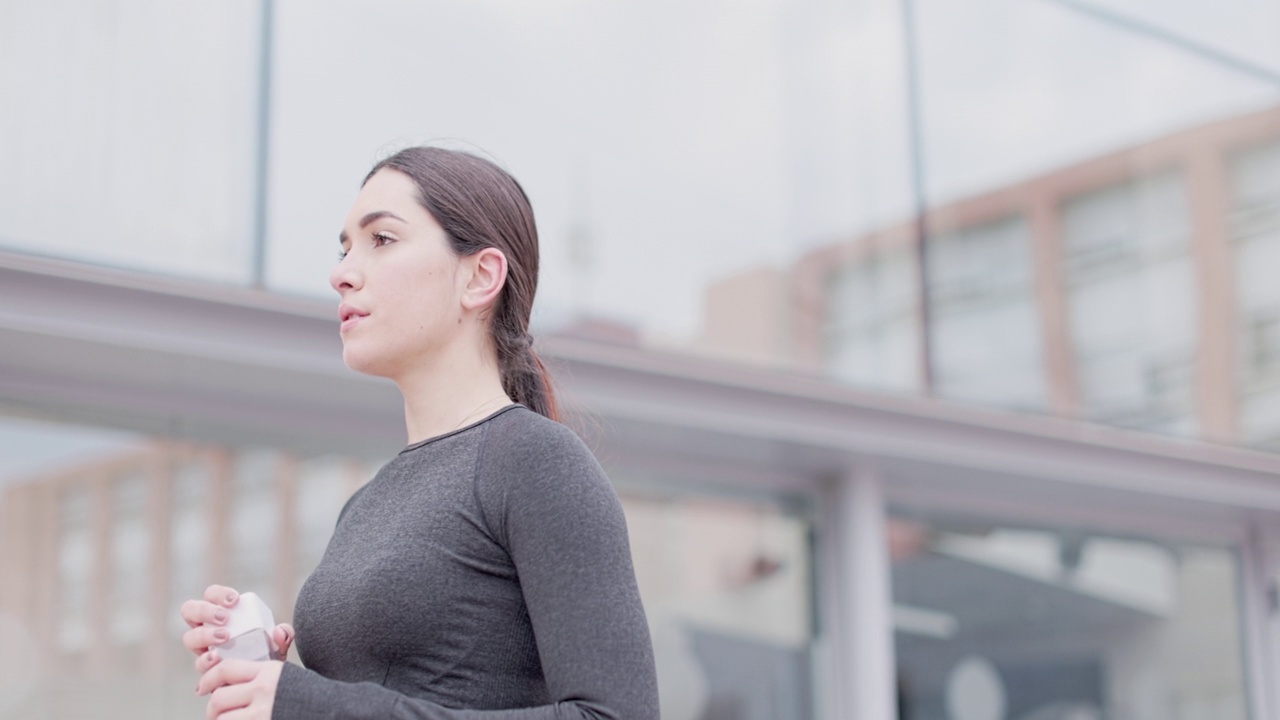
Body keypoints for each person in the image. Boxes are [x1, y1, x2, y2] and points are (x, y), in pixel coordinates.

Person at [179, 147, 660, 719]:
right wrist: (270, 680)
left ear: (480, 276)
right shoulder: (362, 505)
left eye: (381, 240)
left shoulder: (537, 462)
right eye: (344, 248)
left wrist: (314, 708)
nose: (341, 272)